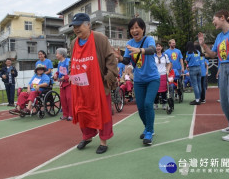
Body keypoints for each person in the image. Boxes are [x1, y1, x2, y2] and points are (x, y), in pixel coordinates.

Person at [69, 13, 118, 154]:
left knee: (102, 112)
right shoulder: (73, 43)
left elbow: (111, 58)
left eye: (79, 26)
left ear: (88, 25)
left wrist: (109, 76)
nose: (76, 29)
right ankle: (87, 136)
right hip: (81, 85)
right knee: (83, 111)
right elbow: (73, 61)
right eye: (74, 27)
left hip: (99, 85)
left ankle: (103, 141)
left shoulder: (99, 38)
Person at [115, 18, 159, 145]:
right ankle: (147, 127)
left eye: (137, 27)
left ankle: (149, 132)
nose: (134, 30)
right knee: (140, 107)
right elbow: (128, 61)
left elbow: (152, 50)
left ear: (143, 29)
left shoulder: (148, 39)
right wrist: (120, 58)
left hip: (152, 79)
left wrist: (140, 50)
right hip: (139, 80)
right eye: (132, 28)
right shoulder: (129, 43)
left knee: (147, 104)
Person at [198, 9, 229, 141]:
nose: (213, 22)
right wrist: (203, 45)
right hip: (223, 67)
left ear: (222, 18)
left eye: (215, 19)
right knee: (224, 99)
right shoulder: (219, 37)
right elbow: (213, 54)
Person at [53, 48, 72, 121]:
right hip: (62, 83)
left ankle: (71, 114)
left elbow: (72, 71)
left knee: (69, 98)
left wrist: (66, 77)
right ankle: (65, 114)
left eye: (57, 53)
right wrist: (56, 74)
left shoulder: (68, 61)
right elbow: (58, 71)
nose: (56, 55)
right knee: (63, 99)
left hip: (68, 82)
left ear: (61, 54)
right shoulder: (59, 63)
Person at [154, 42, 171, 110]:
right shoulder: (153, 56)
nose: (158, 48)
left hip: (163, 75)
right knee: (155, 91)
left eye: (159, 46)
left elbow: (169, 64)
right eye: (157, 46)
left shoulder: (165, 56)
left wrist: (168, 70)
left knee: (164, 90)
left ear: (161, 48)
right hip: (155, 75)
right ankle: (155, 104)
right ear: (155, 48)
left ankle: (164, 104)